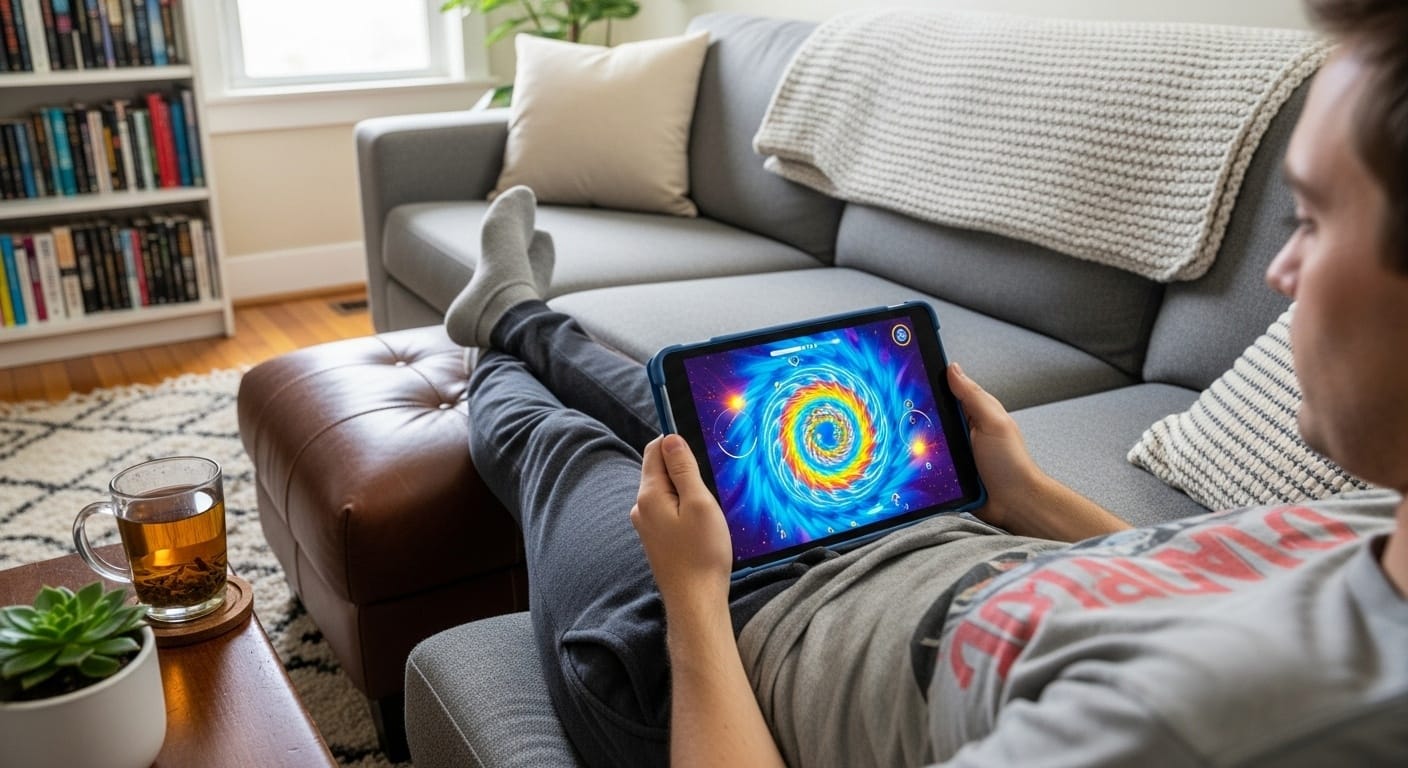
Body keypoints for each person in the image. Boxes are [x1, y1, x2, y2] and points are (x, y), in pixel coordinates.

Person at [443, 0, 1408, 764]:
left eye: (1312, 223)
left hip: (719, 652)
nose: (1280, 277)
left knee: (558, 441)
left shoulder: (1176, 736)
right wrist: (1021, 494)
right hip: (915, 531)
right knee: (666, 404)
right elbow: (1195, 589)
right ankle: (520, 311)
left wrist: (694, 593)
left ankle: (496, 342)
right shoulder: (1376, 522)